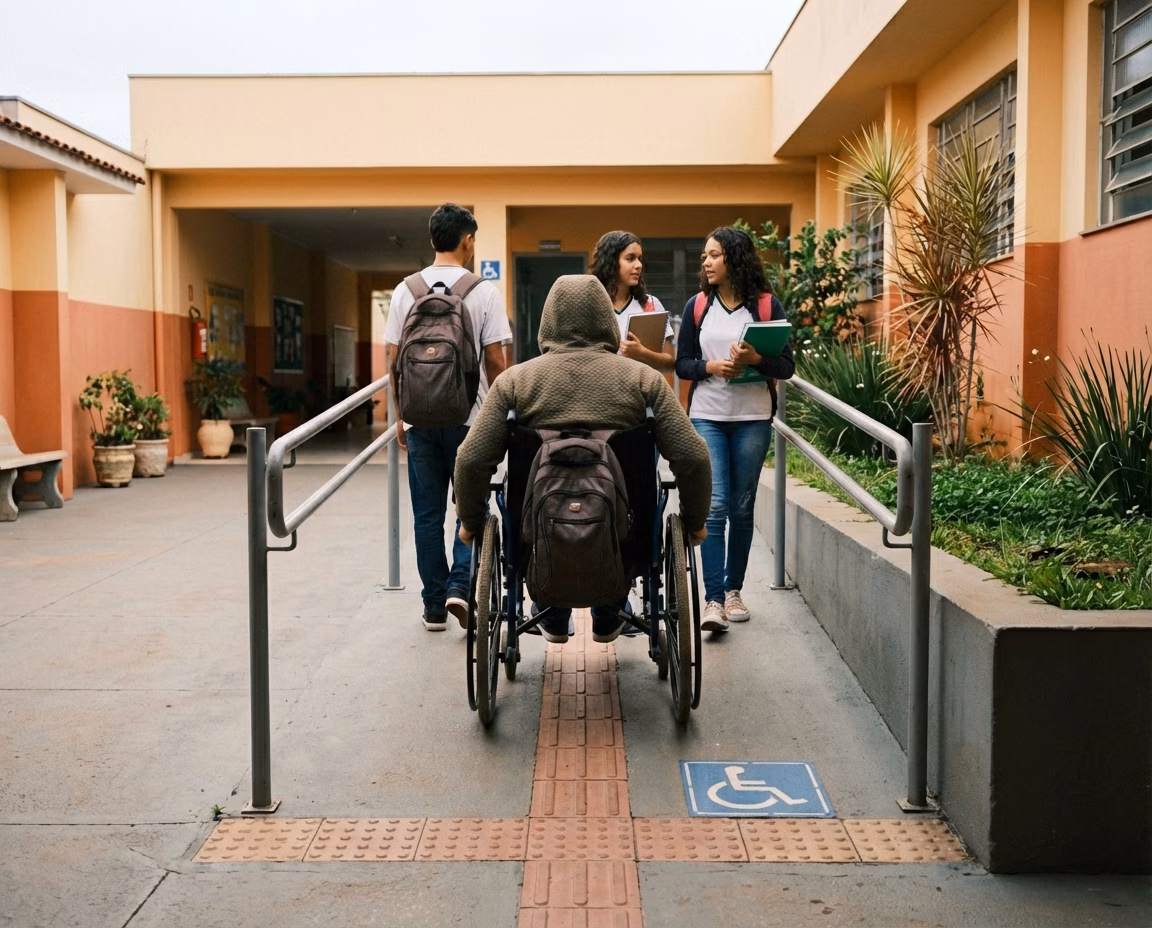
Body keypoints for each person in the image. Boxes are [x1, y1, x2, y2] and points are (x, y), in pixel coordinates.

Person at [453, 274, 711, 644]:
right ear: (607, 321)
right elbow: (693, 457)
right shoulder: (643, 380)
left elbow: (471, 460)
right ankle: (611, 611)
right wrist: (694, 521)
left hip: (535, 530)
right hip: (627, 534)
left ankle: (551, 611)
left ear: (548, 321)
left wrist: (471, 521)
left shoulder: (515, 382)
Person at [384, 203, 512, 632]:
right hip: (470, 422)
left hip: (420, 422)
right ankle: (461, 586)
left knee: (426, 516)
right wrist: (504, 414)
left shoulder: (406, 290)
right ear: (468, 239)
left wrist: (401, 417)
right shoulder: (484, 291)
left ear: (432, 239)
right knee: (469, 510)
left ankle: (434, 606)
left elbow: (394, 361)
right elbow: (496, 361)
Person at [674, 226, 794, 633]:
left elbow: (786, 367)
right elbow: (682, 364)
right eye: (704, 256)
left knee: (743, 509)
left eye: (713, 255)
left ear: (733, 258)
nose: (705, 262)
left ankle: (733, 592)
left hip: (753, 418)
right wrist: (711, 367)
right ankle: (711, 600)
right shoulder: (697, 306)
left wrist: (757, 358)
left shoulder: (764, 306)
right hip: (707, 415)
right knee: (717, 506)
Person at [590, 231, 675, 371]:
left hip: (639, 390)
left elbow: (670, 363)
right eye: (630, 258)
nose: (639, 265)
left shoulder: (650, 305)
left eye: (639, 258)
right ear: (610, 262)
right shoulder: (590, 304)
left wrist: (642, 353)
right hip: (598, 390)